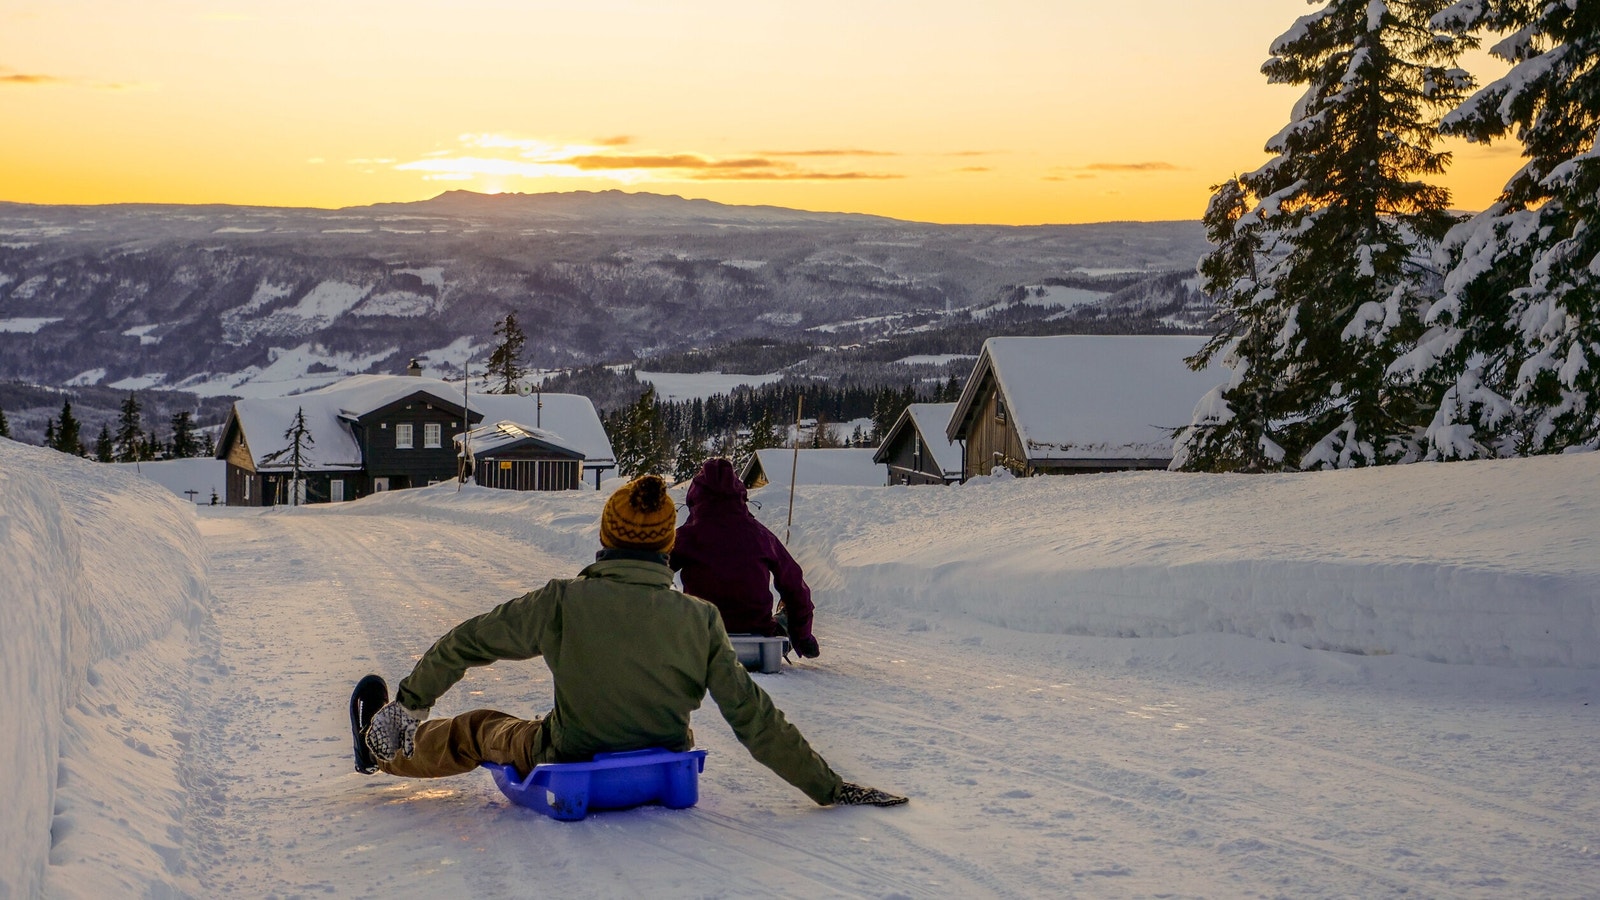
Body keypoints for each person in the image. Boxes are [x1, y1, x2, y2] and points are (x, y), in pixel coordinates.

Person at [354, 474, 904, 808]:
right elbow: (755, 719)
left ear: (605, 536)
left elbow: (468, 642)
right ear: (668, 543)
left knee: (476, 729)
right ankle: (390, 742)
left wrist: (409, 704)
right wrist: (829, 786)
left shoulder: (563, 602)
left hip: (569, 754)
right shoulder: (700, 620)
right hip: (664, 762)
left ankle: (384, 751)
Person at [670, 457, 820, 658]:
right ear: (739, 495)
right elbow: (795, 586)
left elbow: (650, 574)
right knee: (787, 610)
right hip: (757, 632)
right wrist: (803, 637)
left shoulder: (686, 537)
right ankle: (789, 634)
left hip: (700, 631)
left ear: (695, 497)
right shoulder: (760, 535)